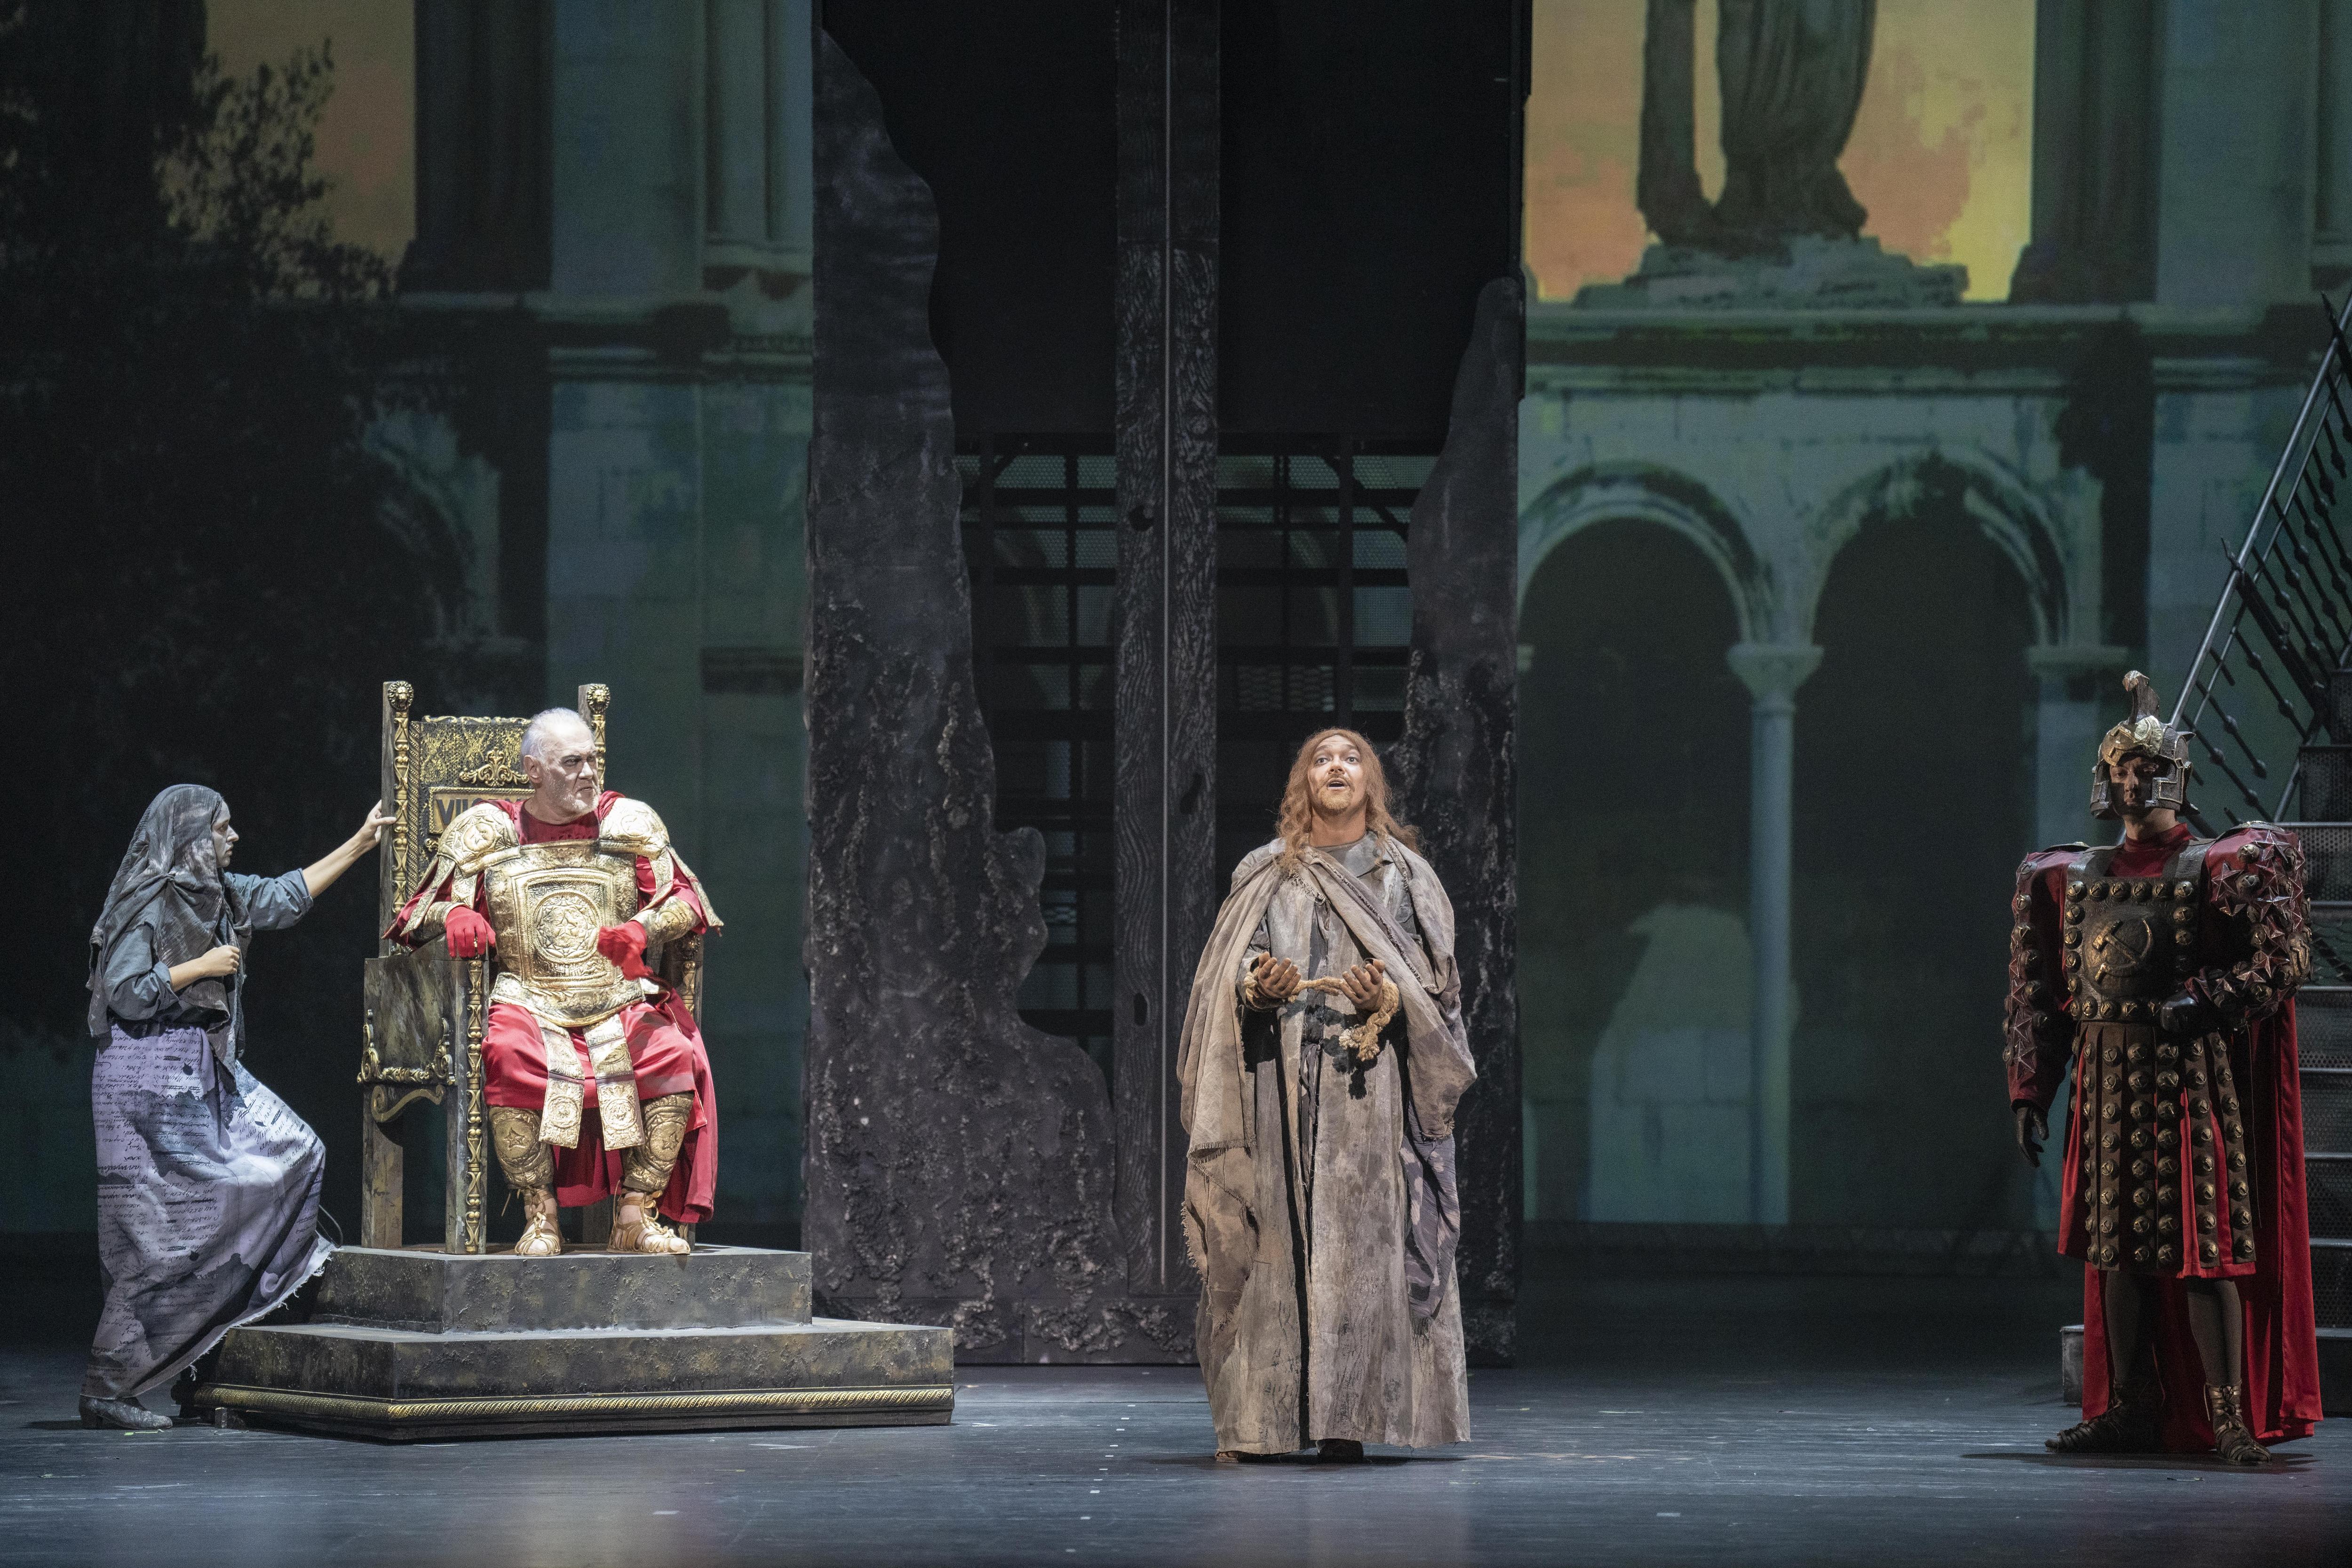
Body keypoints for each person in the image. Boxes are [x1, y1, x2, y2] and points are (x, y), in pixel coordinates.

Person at [2005, 671, 2324, 1462]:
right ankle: (2129, 1405)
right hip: (2107, 1081)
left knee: (2204, 1247)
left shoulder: (2225, 865)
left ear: (2173, 775)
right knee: (2115, 1248)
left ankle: (2229, 1418)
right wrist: (2032, 1088)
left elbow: (2282, 961)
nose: (2132, 781)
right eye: (2120, 768)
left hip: (2192, 1082)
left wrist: (2207, 998)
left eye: (2146, 768)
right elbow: (2042, 992)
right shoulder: (2070, 877)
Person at [1176, 728, 1478, 1462]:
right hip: (1275, 1083)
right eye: (1321, 757)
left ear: (1371, 782)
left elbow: (1437, 989)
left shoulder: (1405, 876)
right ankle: (1262, 1424)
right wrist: (1258, 983)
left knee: (1358, 1253)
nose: (1336, 765)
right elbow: (1230, 967)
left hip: (1365, 1092)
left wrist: (1389, 996)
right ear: (1302, 782)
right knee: (1269, 1245)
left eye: (1350, 758)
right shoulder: (1264, 872)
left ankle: (1348, 1419)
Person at [82, 785, 391, 1431]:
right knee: (159, 1235)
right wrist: (197, 967)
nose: (233, 837)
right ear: (191, 839)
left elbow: (283, 896)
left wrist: (362, 843)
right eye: (222, 828)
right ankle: (110, 1387)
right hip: (145, 1076)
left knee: (295, 1153)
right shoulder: (150, 899)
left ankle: (215, 1337)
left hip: (198, 1066)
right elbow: (124, 992)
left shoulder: (217, 895)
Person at [387, 708, 720, 1257]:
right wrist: (455, 914)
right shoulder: (487, 832)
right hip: (528, 997)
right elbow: (416, 913)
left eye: (592, 760)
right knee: (506, 1050)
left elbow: (687, 901)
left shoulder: (628, 823)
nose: (588, 773)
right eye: (572, 763)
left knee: (670, 1052)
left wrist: (643, 927)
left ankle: (635, 1215)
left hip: (615, 996)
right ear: (534, 771)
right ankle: (540, 1216)